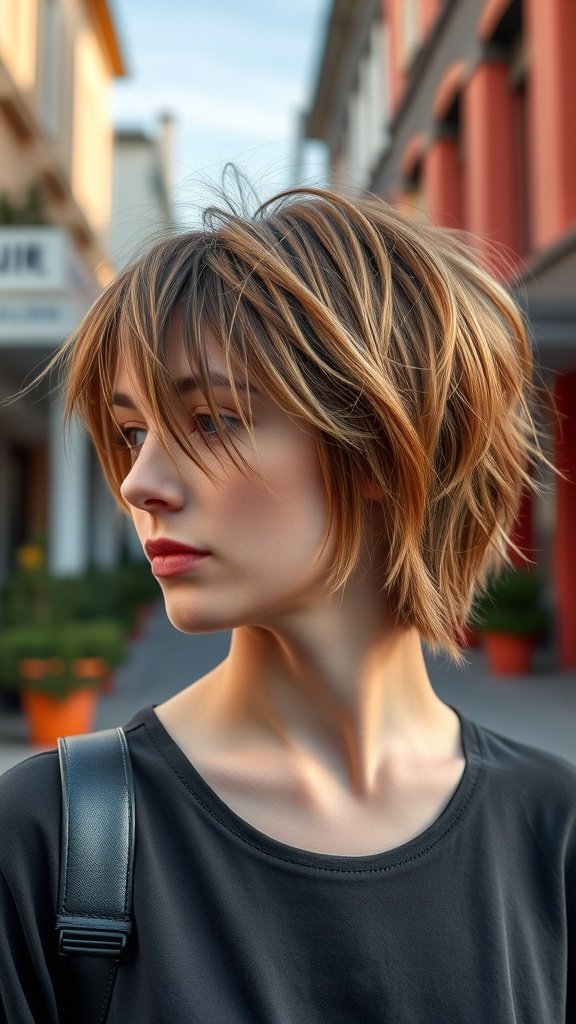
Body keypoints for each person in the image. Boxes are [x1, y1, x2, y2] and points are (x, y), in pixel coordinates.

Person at [0, 185, 574, 1024]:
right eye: (131, 432)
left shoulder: (552, 836)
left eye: (211, 419)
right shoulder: (52, 839)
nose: (140, 483)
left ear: (383, 440)